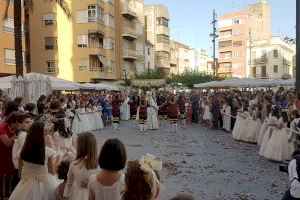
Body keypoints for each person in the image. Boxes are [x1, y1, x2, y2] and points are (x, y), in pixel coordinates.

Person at [9, 121, 59, 200]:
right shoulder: (48, 152)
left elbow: (19, 173)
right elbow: (52, 172)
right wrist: (57, 161)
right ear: (42, 135)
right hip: (46, 183)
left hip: (26, 183)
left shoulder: (22, 151)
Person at [63, 132, 99, 200]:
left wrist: (66, 196)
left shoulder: (74, 164)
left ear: (80, 147)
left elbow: (69, 182)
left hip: (78, 195)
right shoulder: (99, 166)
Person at [0, 112, 19, 199]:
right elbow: (7, 143)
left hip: (11, 154)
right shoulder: (2, 128)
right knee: (1, 175)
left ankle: (7, 194)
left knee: (9, 174)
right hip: (2, 154)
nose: (20, 124)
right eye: (18, 123)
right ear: (12, 123)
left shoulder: (17, 129)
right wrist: (16, 135)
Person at [11, 113, 32, 190]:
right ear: (20, 124)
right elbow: (22, 152)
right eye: (27, 122)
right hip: (20, 165)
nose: (29, 124)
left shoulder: (23, 133)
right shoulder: (23, 135)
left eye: (30, 122)